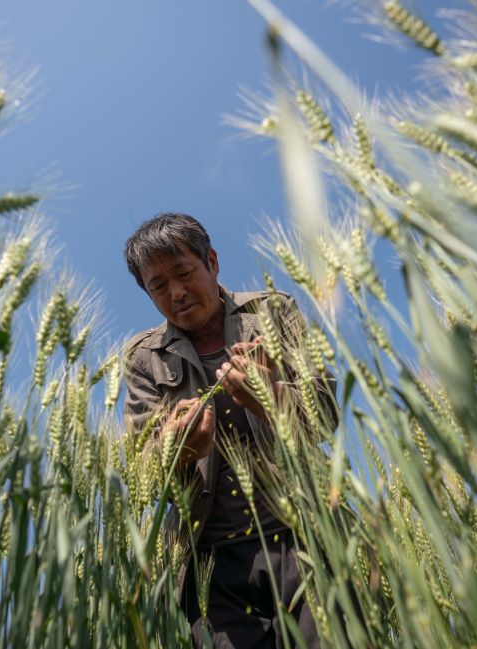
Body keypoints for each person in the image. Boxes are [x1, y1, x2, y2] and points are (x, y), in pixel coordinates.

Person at [122, 213, 337, 648]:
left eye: (184, 273)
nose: (176, 294)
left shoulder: (273, 312)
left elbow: (326, 412)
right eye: (157, 287)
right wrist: (178, 448)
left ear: (212, 262)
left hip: (308, 538)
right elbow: (140, 469)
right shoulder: (143, 358)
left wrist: (271, 399)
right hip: (212, 569)